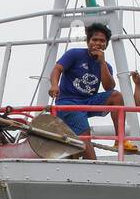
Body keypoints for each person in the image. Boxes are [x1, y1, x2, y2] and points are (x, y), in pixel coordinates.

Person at [48, 22, 132, 159]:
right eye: (94, 40)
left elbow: (109, 87)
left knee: (116, 96)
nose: (98, 43)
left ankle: (119, 140)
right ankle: (94, 166)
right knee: (84, 134)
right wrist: (54, 85)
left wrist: (102, 63)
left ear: (106, 44)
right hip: (68, 103)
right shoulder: (74, 54)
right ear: (88, 41)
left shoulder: (106, 66)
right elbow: (57, 69)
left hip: (87, 102)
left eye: (102, 41)